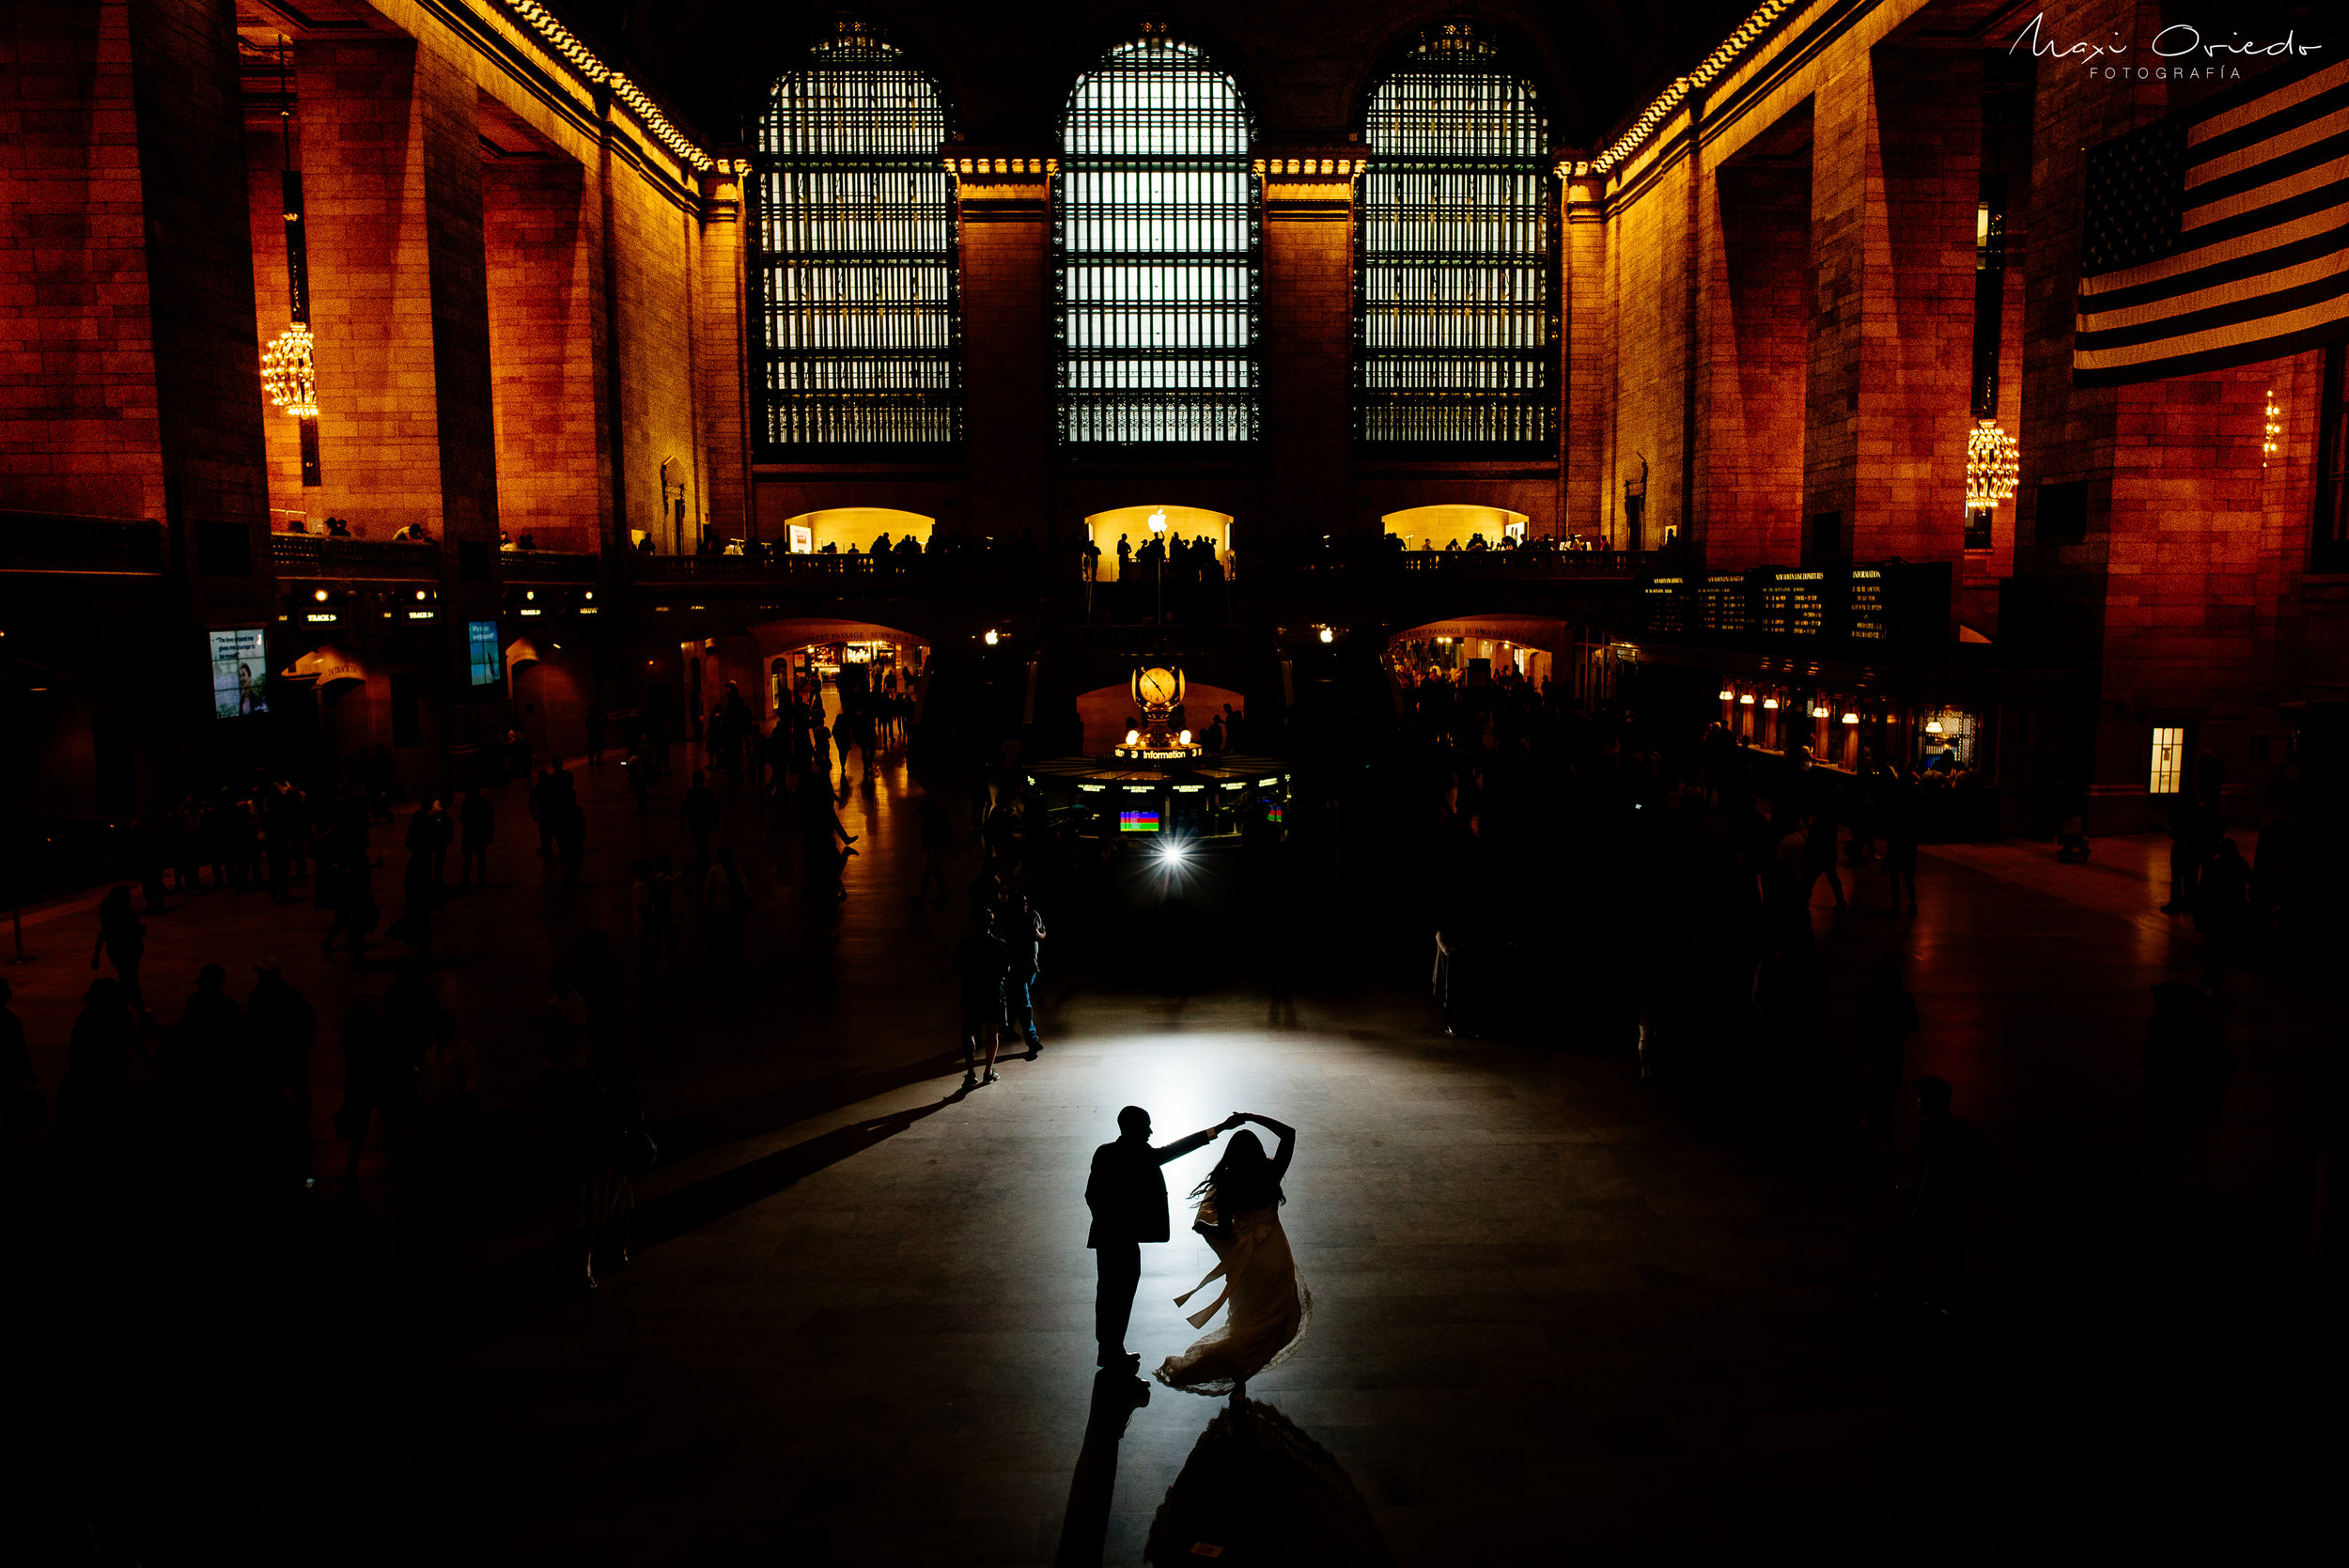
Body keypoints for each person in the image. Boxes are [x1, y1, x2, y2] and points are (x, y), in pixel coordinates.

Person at [1156, 1112, 1307, 1403]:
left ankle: (1237, 1378)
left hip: (1247, 1264)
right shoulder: (1270, 1172)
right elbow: (1289, 1134)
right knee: (1276, 1311)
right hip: (1275, 1254)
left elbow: (1224, 1229)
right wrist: (1252, 1117)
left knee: (1244, 1317)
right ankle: (1253, 1360)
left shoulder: (1228, 1182)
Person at [1084, 1106, 1235, 1372]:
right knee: (1121, 1295)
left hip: (1107, 1237)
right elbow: (1179, 1148)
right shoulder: (1142, 1154)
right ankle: (1112, 1350)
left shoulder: (1105, 1152)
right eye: (1147, 1126)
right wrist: (1219, 1129)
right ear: (1134, 1128)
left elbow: (1091, 1194)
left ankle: (1108, 1349)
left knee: (1107, 1295)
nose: (1151, 1131)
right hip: (1126, 1238)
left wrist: (1107, 1221)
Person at [1890, 1077, 1990, 1312]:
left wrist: (1917, 1206)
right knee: (1948, 1250)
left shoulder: (1931, 1131)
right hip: (1952, 1200)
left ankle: (1902, 1292)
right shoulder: (1955, 1127)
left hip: (1933, 1201)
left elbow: (1930, 1172)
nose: (1918, 1100)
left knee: (1909, 1242)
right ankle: (1949, 1299)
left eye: (1922, 1097)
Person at [246, 958, 317, 1115]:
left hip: (280, 1050)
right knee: (293, 1085)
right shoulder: (291, 994)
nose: (261, 976)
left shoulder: (260, 995)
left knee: (281, 1085)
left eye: (264, 973)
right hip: (288, 1049)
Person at [953, 910, 1009, 1089]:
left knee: (968, 1032)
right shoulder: (1000, 944)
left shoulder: (965, 945)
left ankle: (970, 1073)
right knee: (992, 1033)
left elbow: (956, 968)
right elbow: (1005, 970)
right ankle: (988, 1071)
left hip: (972, 992)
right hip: (993, 993)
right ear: (991, 923)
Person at [89, 885, 150, 1023]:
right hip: (131, 950)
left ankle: (134, 1010)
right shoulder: (129, 914)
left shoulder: (106, 915)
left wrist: (96, 955)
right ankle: (129, 1010)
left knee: (128, 980)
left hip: (115, 951)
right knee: (130, 981)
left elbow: (101, 935)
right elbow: (137, 932)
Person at [1005, 895, 1047, 1058]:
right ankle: (1032, 1039)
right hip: (1018, 968)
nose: (1024, 905)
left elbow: (1043, 932)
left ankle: (1006, 1027)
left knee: (1018, 1001)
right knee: (1025, 1003)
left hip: (1031, 967)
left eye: (1025, 902)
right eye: (1021, 903)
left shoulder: (1033, 915)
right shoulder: (1011, 922)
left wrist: (1038, 934)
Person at [678, 769, 719, 870]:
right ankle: (703, 858)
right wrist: (715, 821)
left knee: (699, 841)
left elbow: (684, 808)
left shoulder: (689, 793)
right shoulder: (708, 792)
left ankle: (702, 859)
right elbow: (715, 807)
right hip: (705, 821)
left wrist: (681, 822)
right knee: (704, 841)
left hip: (695, 821)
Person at [458, 787, 495, 888]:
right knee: (481, 857)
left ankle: (466, 879)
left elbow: (465, 817)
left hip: (469, 833)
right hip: (480, 833)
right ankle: (481, 879)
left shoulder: (466, 803)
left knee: (467, 858)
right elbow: (490, 820)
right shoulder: (486, 804)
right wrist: (490, 834)